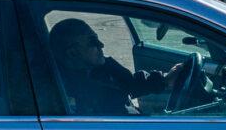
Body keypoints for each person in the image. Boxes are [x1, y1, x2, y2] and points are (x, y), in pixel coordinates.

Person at [49, 18, 181, 115]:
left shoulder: (98, 69)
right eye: (92, 42)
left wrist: (165, 79)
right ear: (73, 53)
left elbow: (129, 84)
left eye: (97, 39)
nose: (101, 45)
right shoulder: (71, 91)